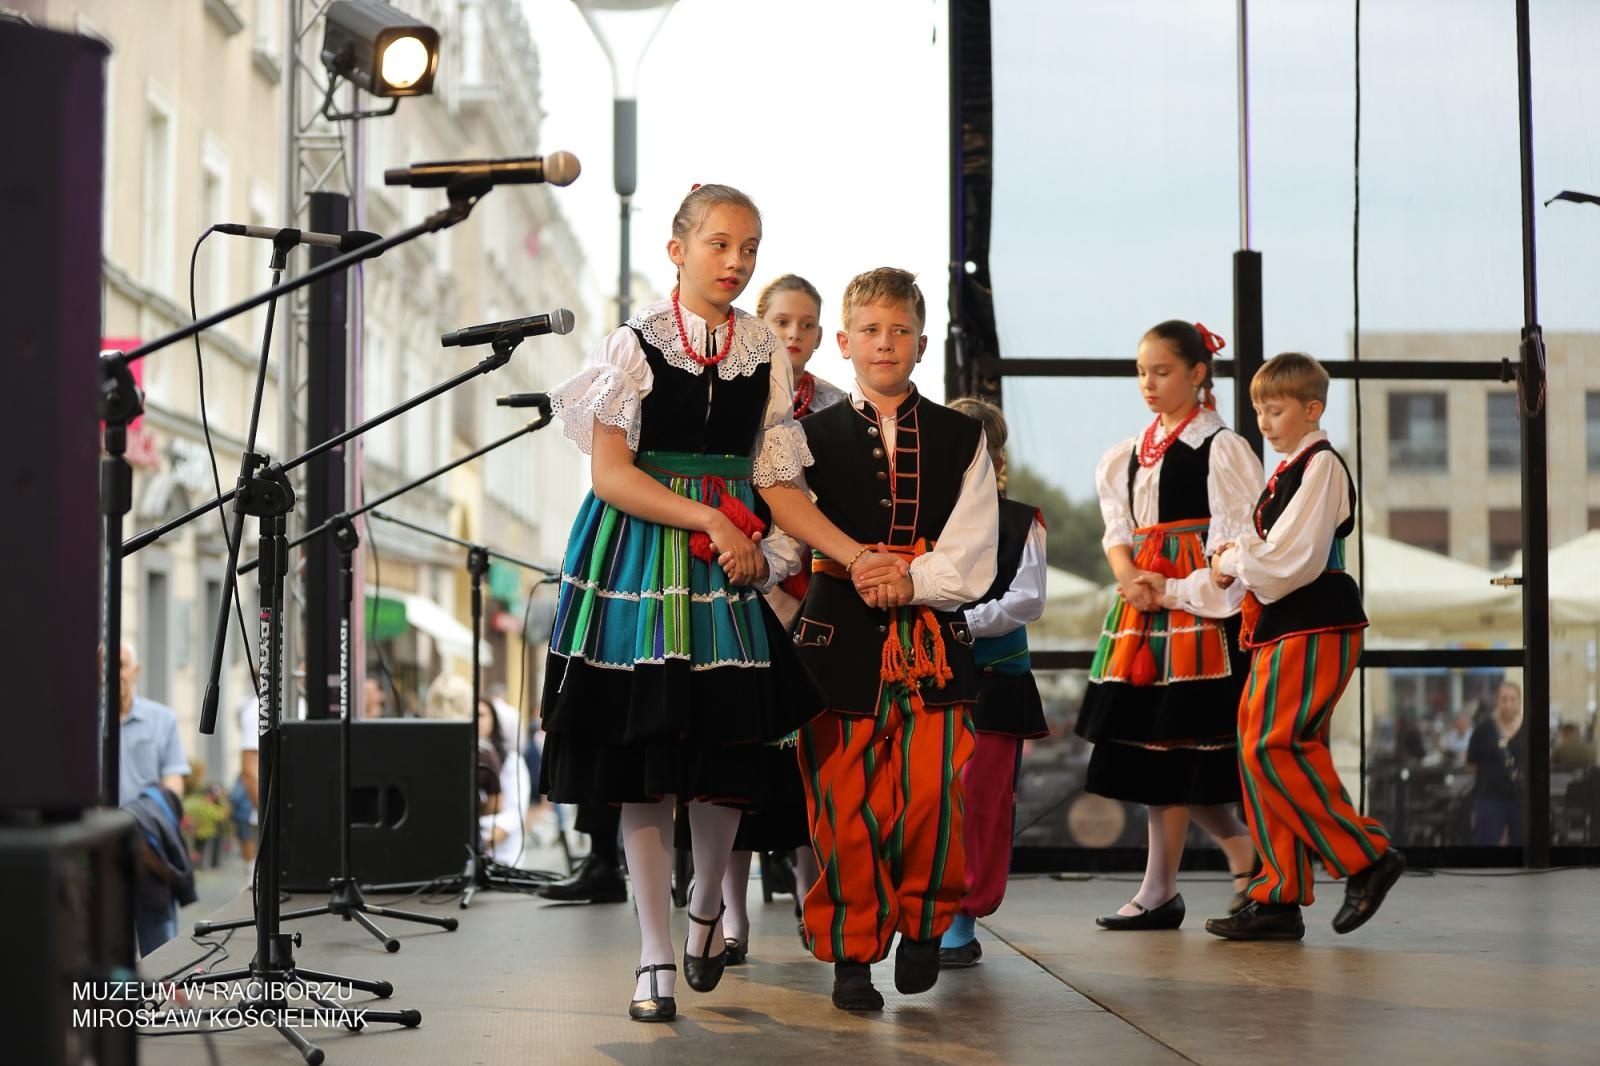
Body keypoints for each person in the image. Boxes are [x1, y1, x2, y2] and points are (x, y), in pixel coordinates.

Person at [539, 184, 870, 1023]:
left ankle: (707, 908)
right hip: (642, 555)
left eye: (749, 247)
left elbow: (780, 484)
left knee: (727, 746)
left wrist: (850, 552)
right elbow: (611, 476)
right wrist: (712, 518)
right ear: (677, 250)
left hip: (730, 558)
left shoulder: (764, 349)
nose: (737, 261)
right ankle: (654, 951)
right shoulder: (633, 344)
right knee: (645, 759)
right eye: (720, 243)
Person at [763, 267, 999, 1011]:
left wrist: (911, 579)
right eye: (870, 330)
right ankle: (851, 951)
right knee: (842, 801)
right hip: (836, 638)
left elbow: (975, 550)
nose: (885, 343)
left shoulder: (962, 436)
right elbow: (784, 538)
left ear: (922, 344)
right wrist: (748, 559)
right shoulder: (805, 438)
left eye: (900, 331)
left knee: (933, 793)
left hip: (932, 638)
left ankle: (926, 921)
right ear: (844, 342)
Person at [1204, 352, 1406, 941]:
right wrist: (1236, 559)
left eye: (1276, 409)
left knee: (1273, 744)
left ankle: (1366, 856)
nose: (1264, 422)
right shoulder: (1292, 470)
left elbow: (1290, 562)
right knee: (1258, 749)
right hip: (1285, 624)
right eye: (1259, 411)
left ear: (1312, 409)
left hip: (1314, 621)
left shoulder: (1321, 466)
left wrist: (1232, 558)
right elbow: (1272, 559)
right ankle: (1278, 893)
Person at [1074, 321, 1262, 930]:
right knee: (1157, 749)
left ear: (1197, 373)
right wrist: (1129, 577)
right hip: (1145, 606)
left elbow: (1237, 542)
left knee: (1178, 748)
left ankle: (1163, 888)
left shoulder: (1222, 448)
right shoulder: (1127, 454)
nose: (1148, 384)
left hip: (1200, 609)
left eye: (1162, 371)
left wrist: (1175, 586)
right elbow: (1117, 530)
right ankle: (1226, 857)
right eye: (1142, 372)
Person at [700, 273, 844, 964]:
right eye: (782, 321)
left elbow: (834, 507)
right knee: (736, 751)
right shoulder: (730, 386)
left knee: (809, 761)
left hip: (814, 593)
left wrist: (798, 586)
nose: (794, 335)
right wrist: (758, 575)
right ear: (759, 323)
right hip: (734, 575)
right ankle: (732, 918)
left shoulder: (837, 407)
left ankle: (816, 906)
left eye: (808, 324)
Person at [938, 397, 1049, 968]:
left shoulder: (1020, 522)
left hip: (994, 682)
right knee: (929, 796)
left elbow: (1027, 599)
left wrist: (963, 624)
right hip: (929, 677)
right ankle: (926, 910)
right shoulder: (921, 519)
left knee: (980, 798)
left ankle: (963, 915)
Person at [109, 641, 192, 954]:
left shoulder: (162, 719)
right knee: (104, 952)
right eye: (104, 665)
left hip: (149, 853)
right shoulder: (81, 721)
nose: (112, 673)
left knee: (161, 950)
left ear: (136, 671)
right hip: (100, 853)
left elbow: (174, 785)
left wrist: (148, 818)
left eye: (120, 665)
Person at [1466, 681, 1529, 845]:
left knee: (1523, 846)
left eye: (1512, 699)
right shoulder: (1483, 729)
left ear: (1520, 702)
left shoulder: (1529, 729)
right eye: (1504, 699)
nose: (1508, 704)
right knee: (1486, 844)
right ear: (1497, 701)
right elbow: (1471, 764)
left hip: (1521, 798)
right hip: (1489, 797)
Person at [478, 698, 532, 866]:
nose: (475, 720)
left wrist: (481, 844)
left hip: (502, 858)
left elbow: (513, 815)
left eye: (480, 715)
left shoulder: (512, 762)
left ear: (494, 721)